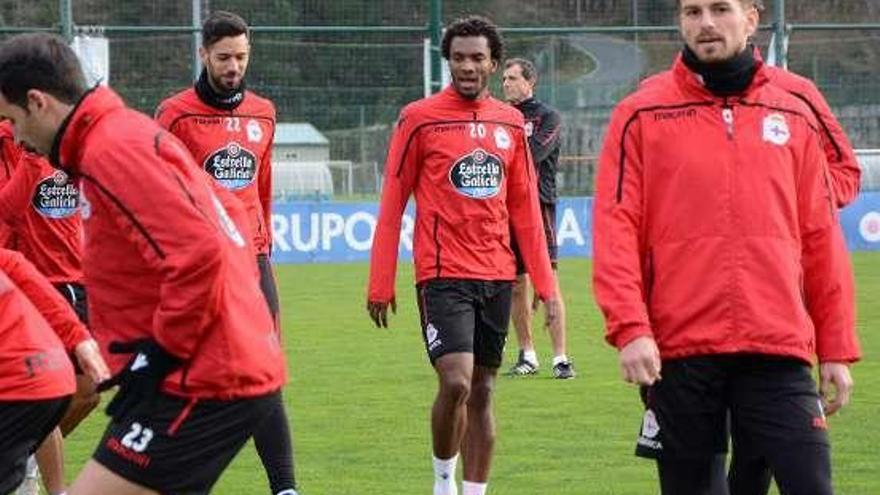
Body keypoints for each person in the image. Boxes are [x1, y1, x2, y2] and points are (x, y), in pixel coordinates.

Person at [592, 1, 861, 494]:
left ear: (752, 18)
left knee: (811, 483)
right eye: (692, 12)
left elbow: (822, 240)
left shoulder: (794, 110)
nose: (706, 23)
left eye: (720, 8)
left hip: (777, 345)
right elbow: (616, 230)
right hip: (681, 350)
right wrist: (630, 328)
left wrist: (837, 349)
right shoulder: (640, 114)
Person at [0, 32, 287, 495]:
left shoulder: (111, 148)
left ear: (37, 103)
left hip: (203, 381)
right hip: (201, 372)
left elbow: (201, 253)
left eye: (11, 120)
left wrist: (158, 355)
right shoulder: (116, 136)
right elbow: (227, 214)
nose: (15, 136)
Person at [366, 15, 559, 495]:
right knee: (456, 382)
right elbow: (392, 203)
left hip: (496, 272)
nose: (467, 67)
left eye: (477, 58)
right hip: (442, 272)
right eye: (458, 58)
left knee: (485, 391)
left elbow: (526, 210)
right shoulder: (419, 118)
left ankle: (475, 492)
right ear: (447, 61)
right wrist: (380, 282)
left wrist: (547, 285)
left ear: (493, 63)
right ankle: (443, 482)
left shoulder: (510, 122)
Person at [154, 12, 298, 495]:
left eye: (240, 56)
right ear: (203, 55)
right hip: (197, 266)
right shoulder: (174, 114)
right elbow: (161, 191)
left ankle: (285, 488)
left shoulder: (264, 112)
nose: (233, 66)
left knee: (266, 374)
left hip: (252, 261)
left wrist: (264, 244)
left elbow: (262, 185)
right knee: (187, 378)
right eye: (223, 57)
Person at [0, 121, 99, 495]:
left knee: (87, 391)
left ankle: (23, 451)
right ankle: (55, 488)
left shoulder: (72, 139)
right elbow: (6, 211)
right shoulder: (10, 144)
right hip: (35, 281)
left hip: (78, 280)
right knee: (46, 390)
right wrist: (31, 158)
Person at [0, 247, 108, 495]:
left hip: (18, 388)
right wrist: (79, 338)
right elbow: (22, 270)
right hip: (51, 380)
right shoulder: (8, 259)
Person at [500, 57, 574, 379]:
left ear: (530, 82)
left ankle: (561, 358)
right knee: (517, 284)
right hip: (504, 207)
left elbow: (534, 154)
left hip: (538, 206)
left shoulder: (548, 117)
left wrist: (503, 149)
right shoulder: (499, 117)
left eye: (513, 78)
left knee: (549, 283)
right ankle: (527, 354)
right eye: (503, 78)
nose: (506, 83)